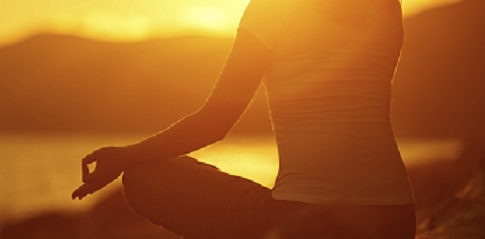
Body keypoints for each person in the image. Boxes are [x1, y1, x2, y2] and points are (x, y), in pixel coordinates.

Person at [72, 0, 416, 238]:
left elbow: (216, 121)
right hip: (396, 219)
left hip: (309, 221)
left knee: (143, 177)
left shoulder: (273, 9)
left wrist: (125, 156)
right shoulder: (386, 6)